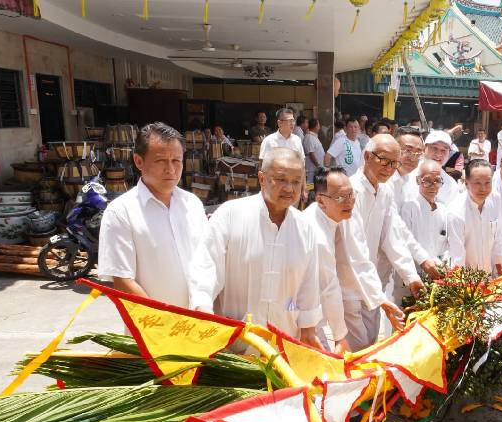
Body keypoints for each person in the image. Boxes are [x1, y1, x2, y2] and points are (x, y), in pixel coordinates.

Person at [189, 148, 321, 344]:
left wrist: (308, 332)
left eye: (296, 181)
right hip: (233, 346)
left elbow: (308, 288)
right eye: (281, 179)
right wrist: (203, 311)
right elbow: (205, 269)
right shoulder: (230, 215)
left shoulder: (305, 229)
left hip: (285, 346)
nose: (289, 188)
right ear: (261, 178)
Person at [98, 122, 206, 307]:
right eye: (161, 161)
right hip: (153, 330)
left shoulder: (192, 204)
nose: (171, 169)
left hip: (200, 324)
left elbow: (208, 261)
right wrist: (164, 322)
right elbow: (123, 282)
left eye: (176, 161)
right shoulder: (121, 212)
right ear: (139, 161)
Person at [307, 166, 399, 353]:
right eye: (341, 197)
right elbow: (329, 286)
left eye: (351, 195)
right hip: (302, 308)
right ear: (321, 201)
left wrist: (381, 299)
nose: (349, 202)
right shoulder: (314, 232)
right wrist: (340, 336)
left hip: (334, 299)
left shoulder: (346, 213)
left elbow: (361, 257)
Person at [349, 135, 423, 346]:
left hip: (373, 282)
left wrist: (411, 277)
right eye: (383, 160)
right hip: (350, 283)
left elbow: (392, 235)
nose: (389, 168)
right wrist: (379, 296)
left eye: (394, 164)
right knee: (351, 350)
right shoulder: (350, 191)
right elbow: (354, 247)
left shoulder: (384, 191)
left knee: (370, 344)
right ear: (366, 156)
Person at [445, 159, 502, 274]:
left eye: (487, 182)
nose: (483, 189)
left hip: (490, 277)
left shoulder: (495, 200)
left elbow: (498, 239)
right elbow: (457, 256)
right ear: (466, 183)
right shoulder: (456, 212)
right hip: (467, 281)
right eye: (477, 183)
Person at [398, 160, 449, 271]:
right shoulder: (409, 207)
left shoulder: (443, 210)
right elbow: (406, 241)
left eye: (437, 181)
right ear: (418, 180)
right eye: (427, 181)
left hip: (440, 271)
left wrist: (443, 264)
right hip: (415, 271)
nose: (433, 186)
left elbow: (446, 245)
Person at [423, 130, 460, 205]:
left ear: (449, 153)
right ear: (424, 148)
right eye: (434, 148)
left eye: (444, 150)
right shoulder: (407, 174)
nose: (438, 154)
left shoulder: (452, 186)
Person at [389, 127, 425, 204]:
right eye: (408, 151)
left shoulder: (410, 180)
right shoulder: (383, 181)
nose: (412, 159)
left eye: (418, 153)